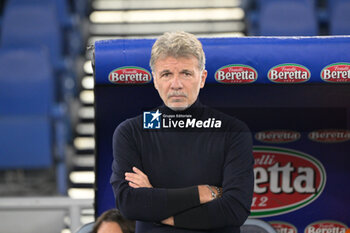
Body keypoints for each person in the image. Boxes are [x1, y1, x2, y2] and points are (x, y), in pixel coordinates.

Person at [110, 31, 254, 233]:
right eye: (166, 74)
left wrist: (156, 207)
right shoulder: (131, 132)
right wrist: (201, 193)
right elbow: (130, 204)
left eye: (186, 74)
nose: (176, 84)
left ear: (202, 78)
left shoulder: (233, 131)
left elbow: (234, 209)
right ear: (155, 80)